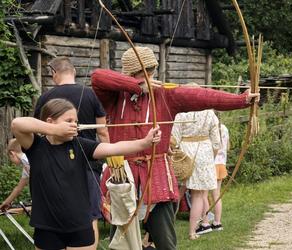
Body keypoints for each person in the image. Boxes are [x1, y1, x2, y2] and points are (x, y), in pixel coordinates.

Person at [91, 46, 259, 250]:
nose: (148, 75)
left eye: (149, 71)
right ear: (129, 73)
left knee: (166, 243)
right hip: (122, 177)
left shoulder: (165, 95)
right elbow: (98, 77)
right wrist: (137, 86)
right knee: (122, 243)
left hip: (157, 177)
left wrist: (241, 100)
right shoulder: (115, 96)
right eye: (141, 72)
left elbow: (203, 97)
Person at [11, 98, 161, 250]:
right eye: (69, 120)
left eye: (76, 121)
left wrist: (144, 143)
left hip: (79, 225)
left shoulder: (79, 145)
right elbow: (17, 124)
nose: (74, 125)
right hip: (46, 226)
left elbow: (114, 148)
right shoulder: (36, 146)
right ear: (50, 121)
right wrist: (54, 130)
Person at [34, 56, 109, 249]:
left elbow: (38, 130)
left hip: (65, 162)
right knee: (89, 213)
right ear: (73, 72)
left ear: (54, 73)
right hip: (89, 163)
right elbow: (102, 131)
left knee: (71, 212)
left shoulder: (45, 97)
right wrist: (111, 162)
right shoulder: (90, 94)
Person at [172, 110, 221, 240]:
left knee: (176, 192)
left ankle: (168, 226)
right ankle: (192, 232)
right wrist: (211, 158)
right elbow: (216, 143)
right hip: (204, 153)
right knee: (198, 195)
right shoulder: (209, 114)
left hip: (184, 155)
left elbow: (173, 140)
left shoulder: (180, 114)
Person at [0, 139, 30, 212]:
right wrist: (6, 202)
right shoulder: (25, 165)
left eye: (9, 157)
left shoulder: (28, 160)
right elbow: (18, 188)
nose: (11, 161)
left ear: (12, 153)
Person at [211, 120, 230, 231]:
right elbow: (227, 146)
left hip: (212, 164)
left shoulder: (211, 129)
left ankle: (205, 222)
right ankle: (217, 222)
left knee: (203, 195)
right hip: (221, 163)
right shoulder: (224, 128)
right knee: (216, 195)